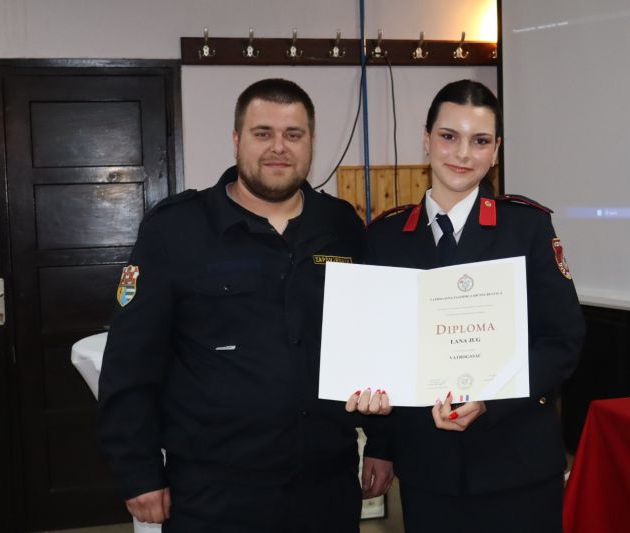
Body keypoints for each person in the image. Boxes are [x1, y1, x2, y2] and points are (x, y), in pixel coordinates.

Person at [98, 78, 366, 532]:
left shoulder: (341, 225)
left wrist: (383, 444)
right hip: (215, 492)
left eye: (293, 134)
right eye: (263, 133)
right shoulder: (175, 231)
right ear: (237, 139)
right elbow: (130, 361)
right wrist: (137, 470)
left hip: (326, 484)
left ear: (311, 143)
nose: (279, 147)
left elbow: (369, 339)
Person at [351, 79, 586, 532]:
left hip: (517, 466)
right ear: (426, 140)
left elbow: (563, 340)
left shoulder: (527, 228)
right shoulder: (385, 238)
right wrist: (379, 445)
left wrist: (489, 400)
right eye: (448, 136)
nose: (462, 153)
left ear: (495, 151)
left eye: (479, 141)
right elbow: (380, 350)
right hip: (427, 470)